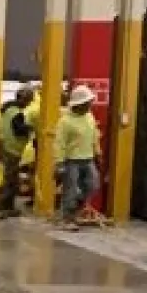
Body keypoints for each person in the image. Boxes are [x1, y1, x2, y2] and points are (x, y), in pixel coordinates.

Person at [56, 85, 102, 226]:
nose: (89, 105)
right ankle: (67, 218)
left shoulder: (89, 117)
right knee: (70, 189)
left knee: (93, 185)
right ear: (79, 104)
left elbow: (94, 135)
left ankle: (75, 206)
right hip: (72, 161)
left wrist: (97, 152)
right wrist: (59, 163)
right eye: (87, 103)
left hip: (88, 159)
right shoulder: (65, 121)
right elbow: (60, 143)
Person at [0, 85, 35, 215]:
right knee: (11, 180)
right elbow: (19, 130)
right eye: (28, 100)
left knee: (8, 177)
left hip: (6, 147)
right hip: (13, 150)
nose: (28, 103)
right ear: (23, 99)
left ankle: (5, 205)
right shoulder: (17, 114)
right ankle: (5, 206)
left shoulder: (7, 110)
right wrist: (31, 129)